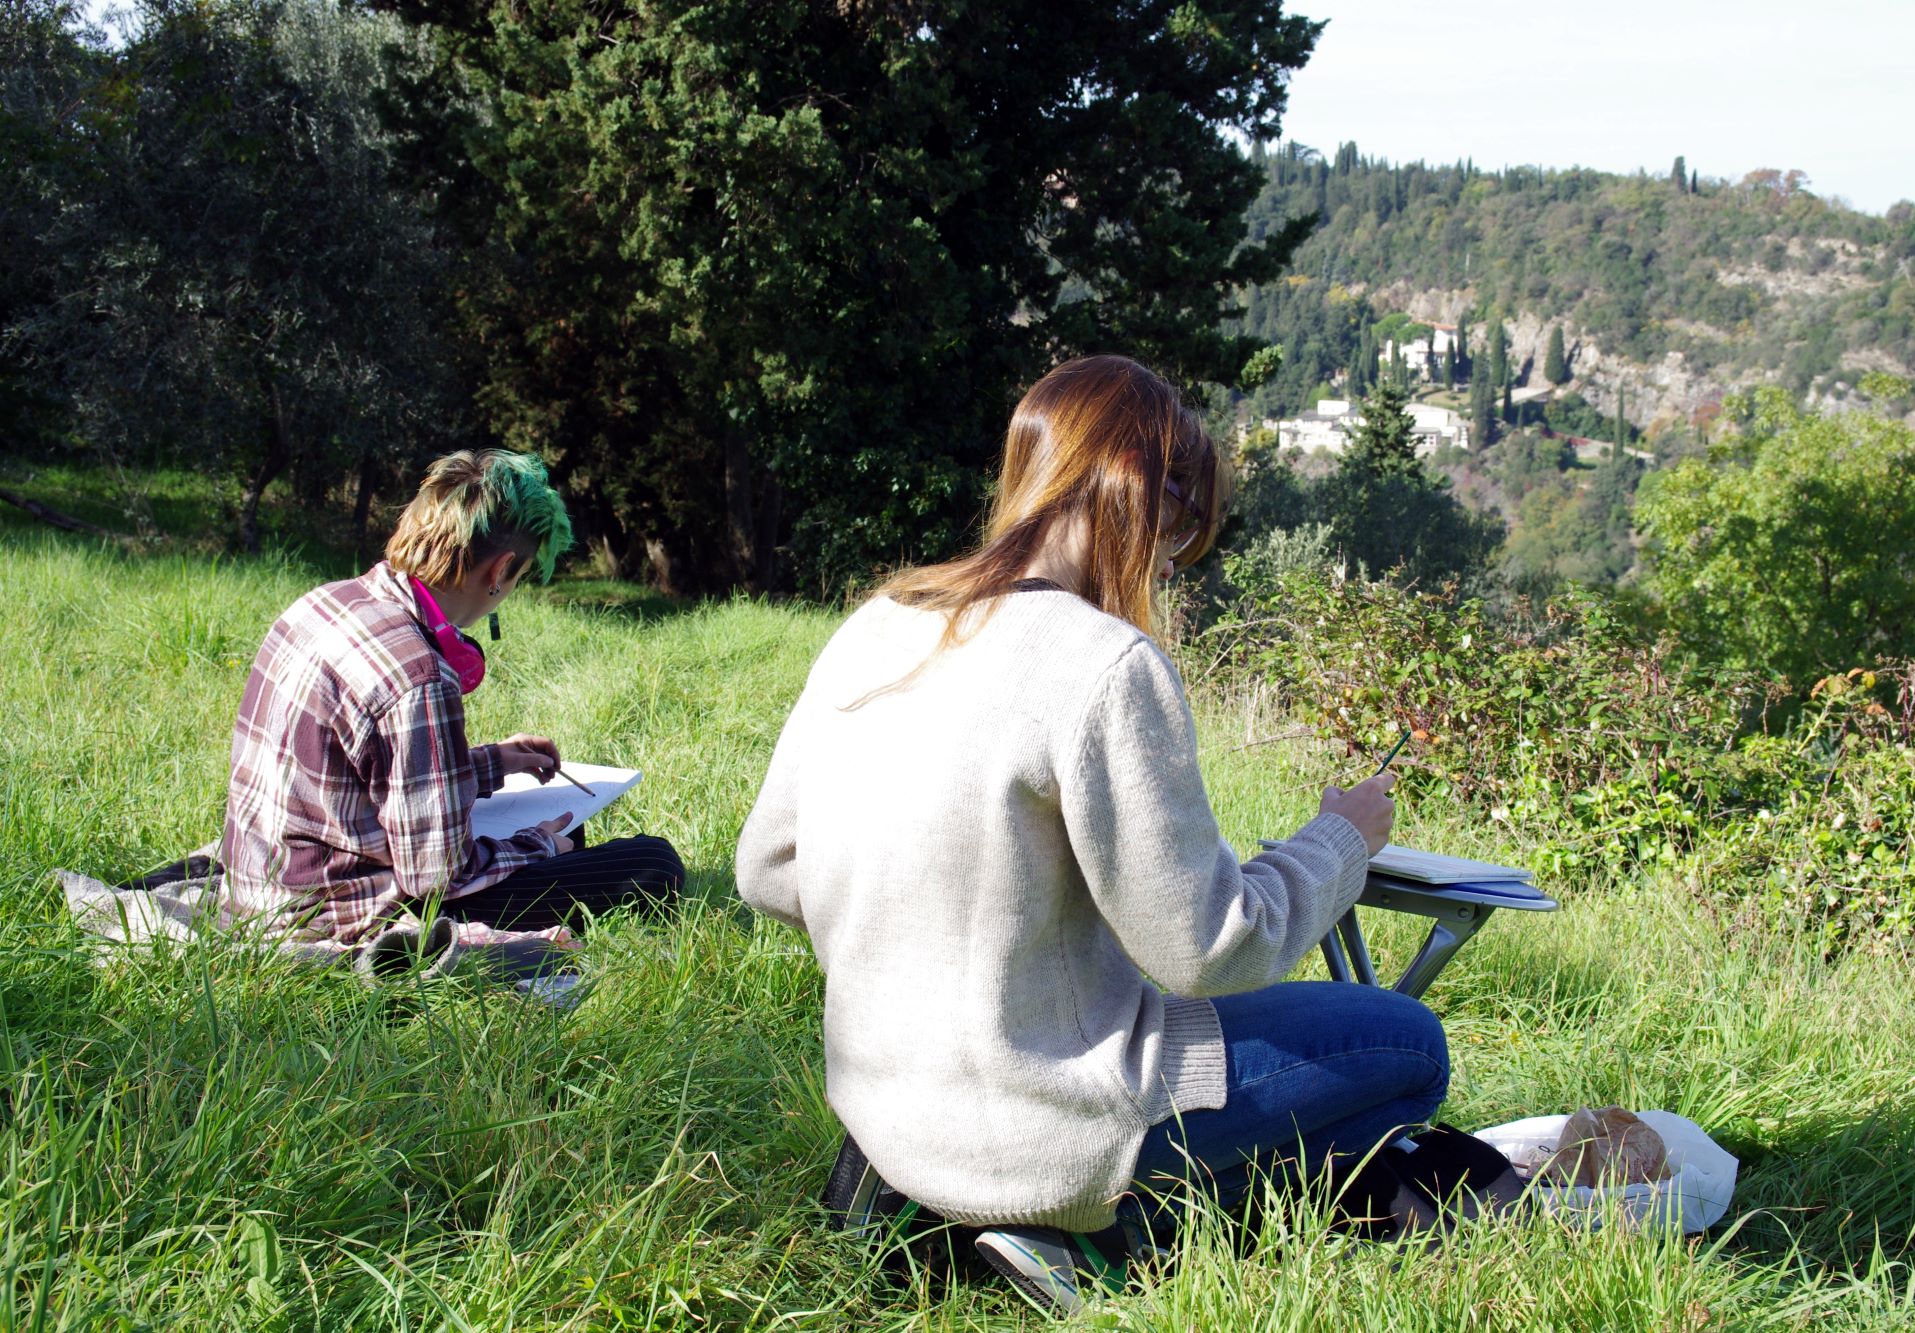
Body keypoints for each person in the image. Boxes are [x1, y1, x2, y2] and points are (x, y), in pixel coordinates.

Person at [735, 356, 1450, 1310]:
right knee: (1409, 1046)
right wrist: (1339, 840)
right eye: (1180, 530)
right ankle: (1099, 1232)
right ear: (1143, 497)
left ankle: (954, 1220)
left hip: (882, 1109)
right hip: (1049, 1122)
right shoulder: (1105, 662)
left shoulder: (877, 624)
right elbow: (1208, 948)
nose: (1167, 563)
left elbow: (764, 870)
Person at [221, 448, 682, 945]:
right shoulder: (419, 676)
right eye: (520, 577)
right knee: (652, 864)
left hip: (264, 887)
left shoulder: (323, 602)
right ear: (500, 570)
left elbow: (369, 770)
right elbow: (436, 877)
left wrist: (493, 763)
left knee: (573, 834)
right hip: (338, 914)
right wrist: (538, 845)